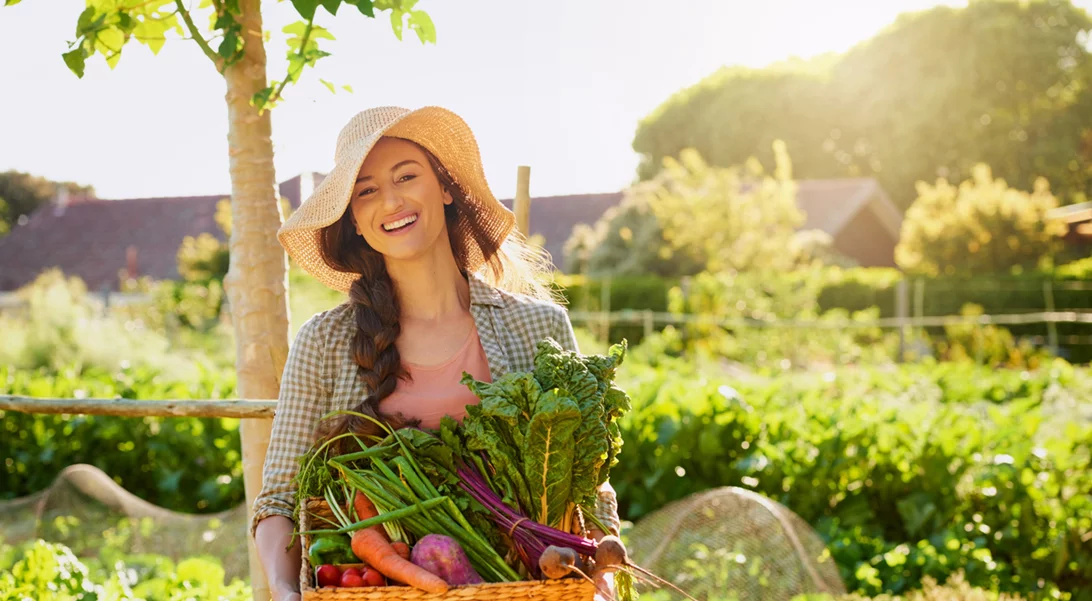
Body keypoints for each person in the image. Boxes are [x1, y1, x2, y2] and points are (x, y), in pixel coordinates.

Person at [251, 106, 621, 601]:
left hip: (530, 587)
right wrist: (283, 590)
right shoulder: (324, 341)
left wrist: (603, 581)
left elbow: (587, 485)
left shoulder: (537, 327)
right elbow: (278, 500)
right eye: (366, 191)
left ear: (445, 188)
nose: (391, 200)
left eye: (406, 176)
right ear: (354, 220)